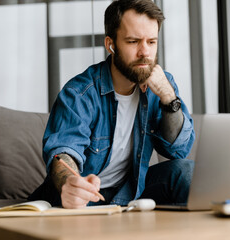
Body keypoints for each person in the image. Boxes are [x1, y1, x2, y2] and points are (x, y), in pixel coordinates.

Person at [29, 0, 195, 209]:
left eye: (151, 42)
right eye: (133, 42)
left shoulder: (162, 85)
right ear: (111, 44)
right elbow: (64, 153)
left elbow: (179, 152)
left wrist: (169, 98)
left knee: (186, 171)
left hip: (130, 189)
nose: (145, 52)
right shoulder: (80, 92)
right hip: (82, 197)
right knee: (72, 192)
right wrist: (69, 183)